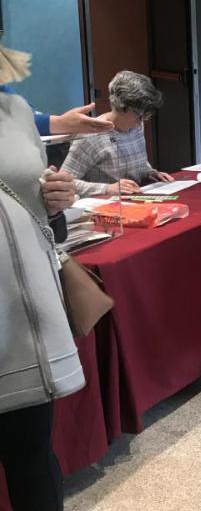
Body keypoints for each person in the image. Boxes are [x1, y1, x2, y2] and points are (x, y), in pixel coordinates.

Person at [1, 43, 86, 510]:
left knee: (32, 461)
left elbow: (41, 220)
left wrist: (56, 200)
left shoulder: (14, 111)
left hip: (22, 321)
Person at [61, 71, 172, 197]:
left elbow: (137, 164)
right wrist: (107, 188)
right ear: (122, 106)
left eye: (145, 116)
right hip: (103, 207)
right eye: (139, 115)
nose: (142, 121)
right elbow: (64, 183)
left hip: (134, 199)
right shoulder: (90, 136)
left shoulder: (137, 126)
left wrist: (149, 172)